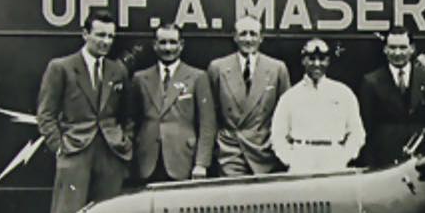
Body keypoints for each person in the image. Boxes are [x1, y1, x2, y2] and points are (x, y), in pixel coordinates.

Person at [37, 8, 132, 213]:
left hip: (111, 153)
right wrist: (60, 147)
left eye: (110, 36)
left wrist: (125, 141)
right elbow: (46, 114)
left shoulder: (118, 69)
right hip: (75, 151)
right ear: (85, 34)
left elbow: (128, 114)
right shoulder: (61, 67)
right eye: (100, 35)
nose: (106, 42)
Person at [131, 23, 216, 183]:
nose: (168, 48)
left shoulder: (197, 77)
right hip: (147, 160)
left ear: (181, 45)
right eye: (163, 43)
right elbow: (131, 121)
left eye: (172, 42)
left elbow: (207, 125)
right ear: (155, 45)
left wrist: (201, 163)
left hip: (182, 159)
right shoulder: (140, 78)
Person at [207, 15, 291, 176]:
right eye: (243, 34)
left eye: (253, 34)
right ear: (235, 37)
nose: (248, 39)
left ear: (261, 38)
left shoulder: (277, 68)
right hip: (230, 151)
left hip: (264, 151)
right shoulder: (218, 67)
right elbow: (212, 114)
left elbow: (284, 115)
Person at [358, 26, 425, 168]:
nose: (397, 53)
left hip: (420, 157)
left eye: (402, 47)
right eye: (392, 47)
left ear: (412, 48)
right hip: (384, 158)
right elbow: (367, 127)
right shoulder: (371, 81)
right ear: (385, 49)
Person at [271, 38, 365, 173]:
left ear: (328, 61)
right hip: (302, 161)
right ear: (303, 60)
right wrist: (291, 159)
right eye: (311, 59)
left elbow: (356, 133)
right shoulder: (290, 97)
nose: (316, 64)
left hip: (333, 160)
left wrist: (344, 157)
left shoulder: (343, 93)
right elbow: (278, 135)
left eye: (322, 59)